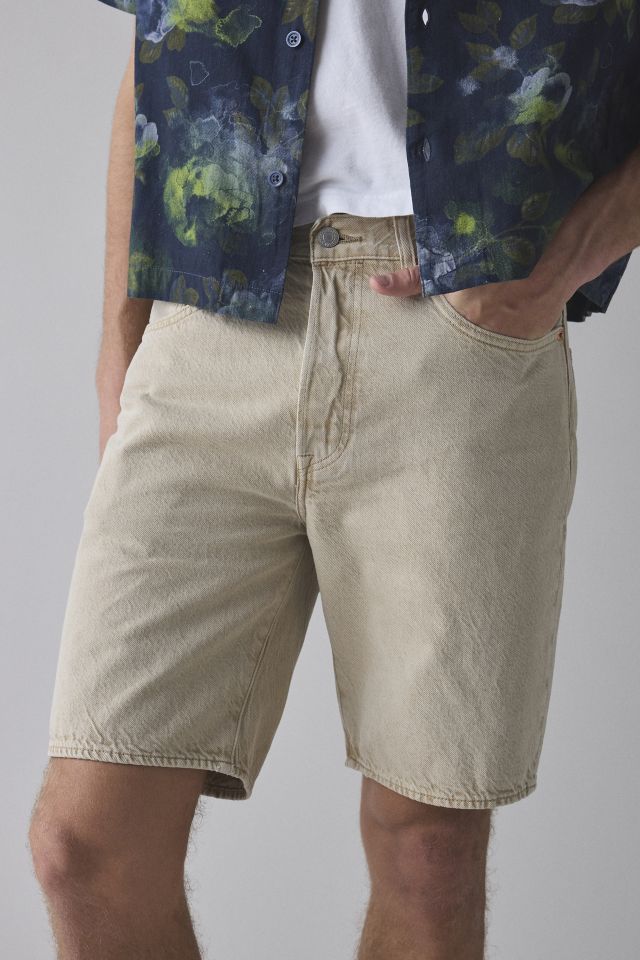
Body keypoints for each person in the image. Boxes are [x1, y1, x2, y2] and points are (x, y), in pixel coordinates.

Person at [28, 2, 640, 958]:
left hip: (455, 329)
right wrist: (121, 345)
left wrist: (573, 253)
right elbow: (158, 43)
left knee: (427, 851)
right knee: (84, 847)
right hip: (208, 322)